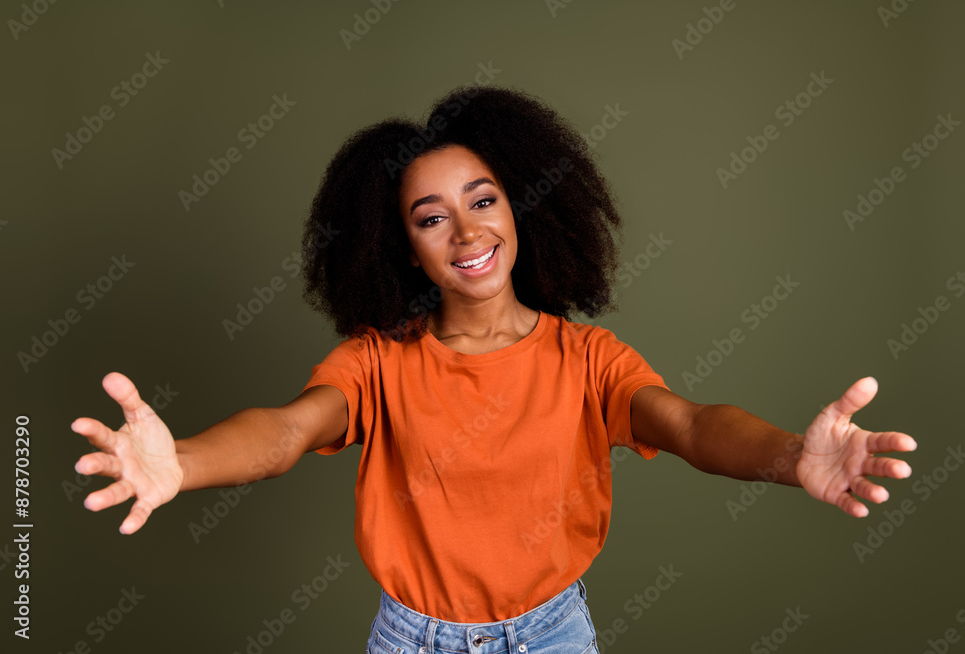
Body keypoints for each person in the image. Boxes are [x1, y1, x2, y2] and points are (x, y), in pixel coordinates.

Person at [71, 85, 917, 653]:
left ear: (520, 206)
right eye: (431, 217)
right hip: (414, 638)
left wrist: (787, 458)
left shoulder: (587, 360)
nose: (467, 233)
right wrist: (182, 463)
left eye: (482, 200)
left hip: (555, 633)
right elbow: (289, 431)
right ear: (401, 245)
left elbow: (692, 426)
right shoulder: (376, 363)